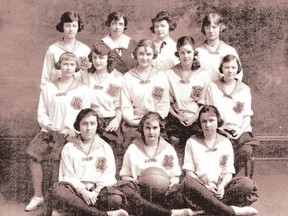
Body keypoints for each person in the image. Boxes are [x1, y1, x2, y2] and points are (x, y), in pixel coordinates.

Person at [25, 52, 91, 211]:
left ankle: (56, 202)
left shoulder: (82, 88)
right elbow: (42, 113)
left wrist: (74, 129)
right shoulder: (49, 88)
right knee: (33, 155)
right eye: (65, 64)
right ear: (59, 66)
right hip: (50, 132)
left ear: (76, 67)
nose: (68, 67)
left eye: (71, 64)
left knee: (58, 162)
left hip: (71, 134)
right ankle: (38, 196)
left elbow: (86, 113)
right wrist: (48, 125)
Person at [49, 108, 128, 216]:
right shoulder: (69, 147)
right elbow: (68, 175)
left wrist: (96, 191)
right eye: (84, 124)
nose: (88, 128)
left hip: (98, 193)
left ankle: (75, 211)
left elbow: (108, 173)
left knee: (115, 199)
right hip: (76, 192)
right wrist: (83, 192)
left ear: (97, 125)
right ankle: (105, 215)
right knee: (58, 192)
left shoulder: (104, 147)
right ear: (78, 126)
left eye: (92, 123)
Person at [182, 105, 259, 216]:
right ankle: (230, 211)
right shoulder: (192, 142)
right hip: (201, 187)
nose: (208, 125)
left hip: (220, 188)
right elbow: (189, 172)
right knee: (188, 182)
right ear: (200, 123)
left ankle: (205, 210)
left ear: (218, 121)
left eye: (211, 120)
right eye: (204, 121)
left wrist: (222, 186)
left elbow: (228, 171)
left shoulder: (225, 142)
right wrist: (206, 186)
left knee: (247, 183)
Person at [118, 111, 197, 216]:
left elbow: (175, 176)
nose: (151, 132)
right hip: (140, 191)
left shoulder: (167, 148)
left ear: (161, 129)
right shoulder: (133, 148)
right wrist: (133, 181)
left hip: (163, 192)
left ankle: (153, 211)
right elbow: (125, 176)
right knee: (127, 190)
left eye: (155, 128)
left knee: (178, 195)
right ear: (142, 128)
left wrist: (171, 185)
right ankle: (170, 213)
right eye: (147, 128)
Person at [199, 54, 259, 176]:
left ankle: (245, 183)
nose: (230, 71)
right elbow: (209, 112)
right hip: (219, 130)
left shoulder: (244, 89)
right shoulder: (213, 87)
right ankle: (221, 178)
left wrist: (240, 131)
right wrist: (219, 129)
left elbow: (247, 115)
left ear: (238, 69)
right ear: (221, 69)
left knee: (246, 150)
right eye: (226, 67)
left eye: (233, 67)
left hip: (239, 131)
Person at [81, 41, 124, 173]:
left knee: (111, 155)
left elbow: (121, 105)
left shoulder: (117, 77)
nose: (97, 61)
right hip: (92, 121)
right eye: (94, 57)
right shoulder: (86, 75)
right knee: (91, 155)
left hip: (111, 121)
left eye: (101, 58)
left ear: (108, 59)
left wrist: (117, 119)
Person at [121, 39, 170, 148]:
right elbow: (125, 105)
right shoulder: (128, 77)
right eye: (141, 54)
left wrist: (154, 122)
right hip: (134, 124)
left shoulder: (160, 76)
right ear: (135, 55)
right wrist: (132, 120)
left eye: (148, 54)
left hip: (156, 124)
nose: (144, 58)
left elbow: (164, 104)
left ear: (153, 55)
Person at [165, 36, 209, 149]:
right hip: (175, 119)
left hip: (196, 119)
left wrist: (194, 118)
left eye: (189, 52)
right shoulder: (169, 74)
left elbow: (203, 103)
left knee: (196, 141)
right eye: (182, 52)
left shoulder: (203, 74)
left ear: (194, 52)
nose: (186, 56)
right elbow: (166, 103)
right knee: (173, 140)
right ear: (177, 54)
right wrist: (177, 116)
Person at [40, 11, 90, 90]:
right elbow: (45, 77)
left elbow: (88, 77)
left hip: (78, 95)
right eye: (67, 26)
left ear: (78, 27)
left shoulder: (84, 49)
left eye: (74, 26)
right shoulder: (53, 49)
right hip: (57, 93)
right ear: (62, 27)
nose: (71, 29)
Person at [196, 12, 243, 82]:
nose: (211, 31)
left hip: (224, 91)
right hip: (204, 91)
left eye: (214, 27)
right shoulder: (198, 52)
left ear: (220, 28)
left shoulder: (229, 51)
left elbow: (238, 75)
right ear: (204, 29)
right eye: (207, 28)